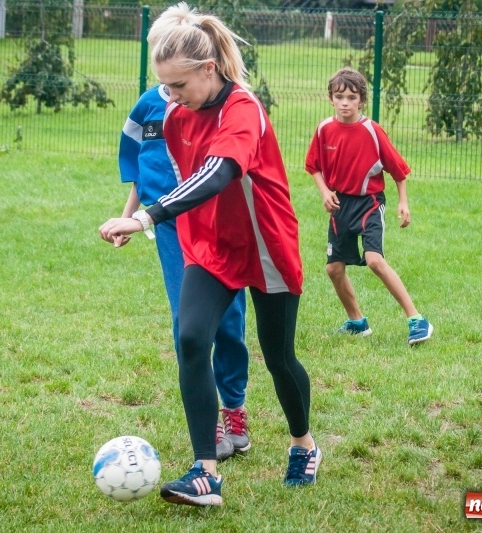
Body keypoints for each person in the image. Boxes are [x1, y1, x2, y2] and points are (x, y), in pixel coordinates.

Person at [100, 2, 319, 507]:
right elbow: (180, 179)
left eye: (177, 86)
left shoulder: (243, 109)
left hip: (265, 247)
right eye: (165, 86)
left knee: (278, 356)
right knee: (192, 338)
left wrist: (146, 217)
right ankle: (204, 472)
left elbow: (219, 172)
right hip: (209, 247)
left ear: (208, 69)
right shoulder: (176, 114)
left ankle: (303, 444)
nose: (168, 96)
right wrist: (138, 211)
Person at [116, 84, 251, 461]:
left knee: (229, 320)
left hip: (217, 223)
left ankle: (235, 405)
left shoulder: (221, 102)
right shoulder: (147, 106)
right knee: (187, 321)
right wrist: (129, 216)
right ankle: (209, 421)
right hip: (170, 226)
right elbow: (140, 170)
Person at [305, 67, 433, 346]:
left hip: (370, 203)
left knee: (374, 260)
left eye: (351, 97)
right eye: (339, 97)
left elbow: (398, 170)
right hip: (340, 204)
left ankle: (416, 319)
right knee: (333, 269)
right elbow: (312, 166)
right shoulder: (324, 129)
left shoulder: (372, 131)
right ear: (331, 98)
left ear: (361, 99)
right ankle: (357, 322)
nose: (345, 103)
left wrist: (403, 202)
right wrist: (324, 191)